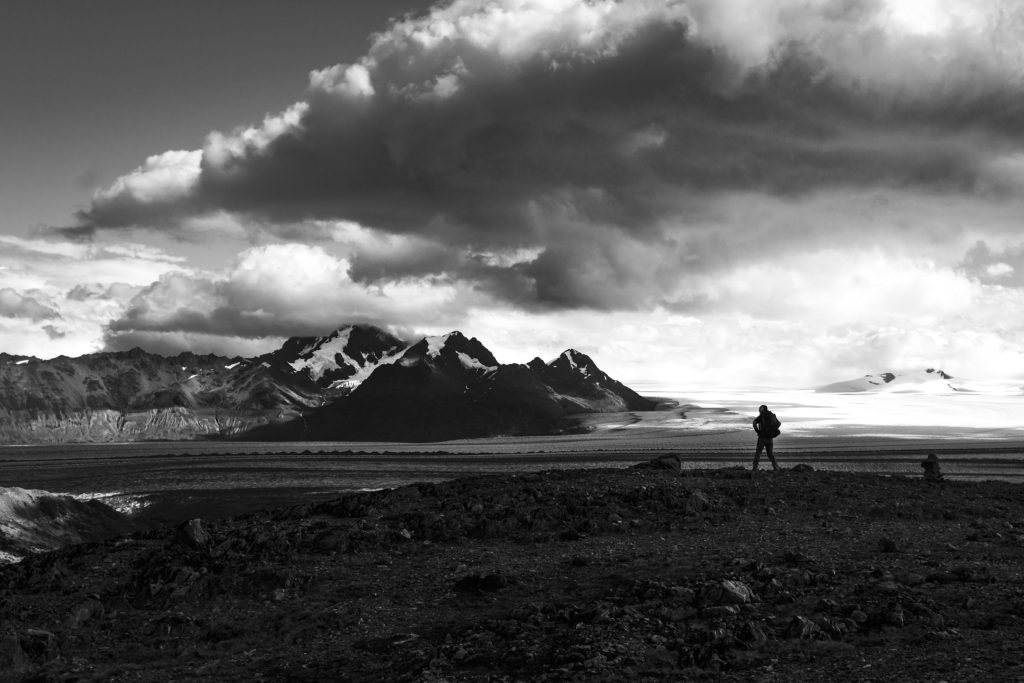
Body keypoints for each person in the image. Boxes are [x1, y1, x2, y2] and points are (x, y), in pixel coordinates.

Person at [751, 404, 781, 474]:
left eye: (760, 408)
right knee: (770, 453)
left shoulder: (762, 415)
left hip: (762, 438)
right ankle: (776, 468)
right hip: (770, 438)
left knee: (758, 453)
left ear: (763, 409)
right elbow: (779, 424)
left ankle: (754, 468)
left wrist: (757, 431)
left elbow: (754, 422)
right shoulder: (772, 415)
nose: (759, 409)